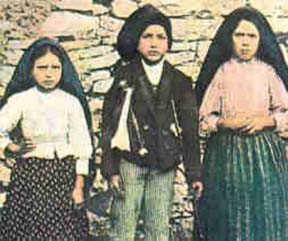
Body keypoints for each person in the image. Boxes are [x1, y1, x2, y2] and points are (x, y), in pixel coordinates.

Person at [100, 4, 203, 241]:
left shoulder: (180, 81)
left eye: (161, 37)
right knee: (123, 224)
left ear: (169, 43)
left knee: (158, 227)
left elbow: (189, 131)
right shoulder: (124, 78)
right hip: (130, 162)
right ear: (136, 41)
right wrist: (111, 169)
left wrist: (194, 174)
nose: (154, 43)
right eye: (147, 37)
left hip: (163, 165)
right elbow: (109, 126)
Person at [195, 7, 288, 241]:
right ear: (230, 38)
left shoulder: (268, 73)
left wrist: (266, 121)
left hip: (264, 155)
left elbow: (285, 112)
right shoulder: (223, 72)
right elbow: (204, 117)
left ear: (261, 40)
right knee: (229, 212)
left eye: (251, 36)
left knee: (264, 211)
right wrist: (225, 122)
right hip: (225, 155)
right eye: (239, 35)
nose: (245, 43)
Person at [0, 37, 93, 240]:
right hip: (29, 176)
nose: (49, 74)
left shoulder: (71, 102)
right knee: (28, 230)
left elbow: (82, 146)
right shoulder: (20, 100)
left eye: (55, 67)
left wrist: (78, 187)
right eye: (42, 67)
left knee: (62, 230)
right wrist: (13, 148)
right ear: (30, 69)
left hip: (63, 176)